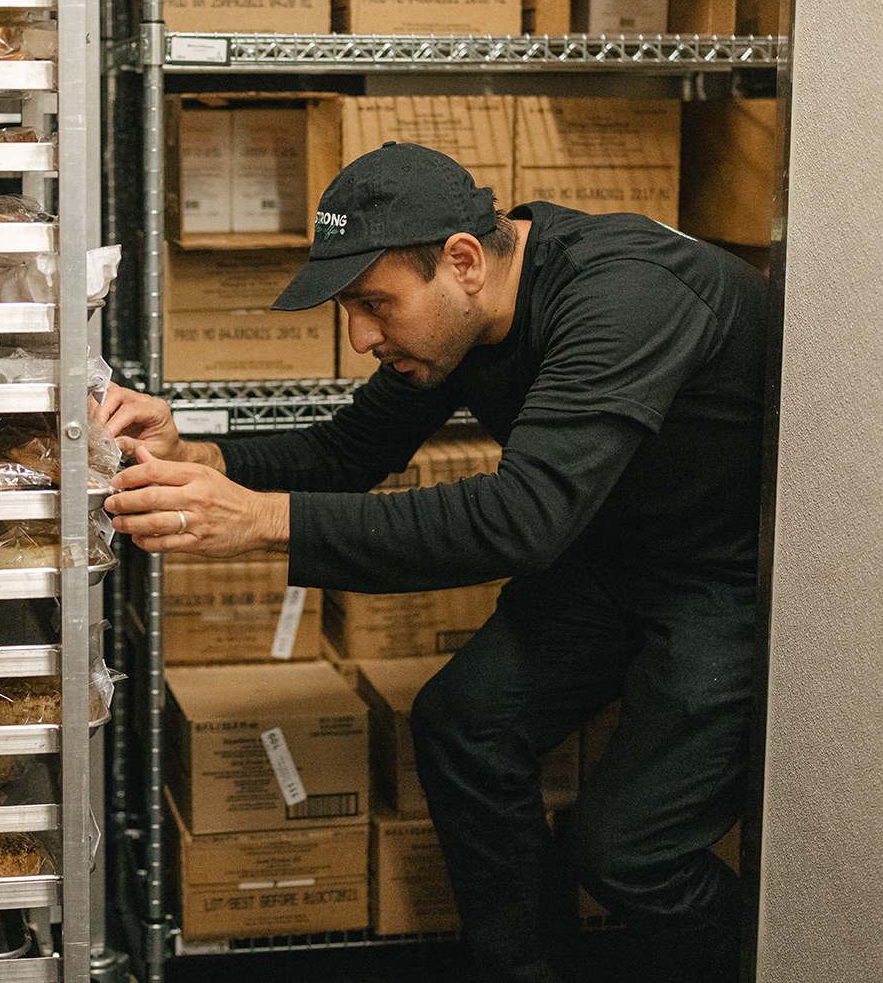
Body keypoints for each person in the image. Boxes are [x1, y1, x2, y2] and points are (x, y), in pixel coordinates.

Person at [99, 141, 766, 983]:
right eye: (349, 306)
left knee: (628, 851)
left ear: (462, 262)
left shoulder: (622, 297)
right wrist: (199, 453)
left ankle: (782, 960)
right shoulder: (459, 319)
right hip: (614, 555)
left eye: (375, 303)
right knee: (465, 723)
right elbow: (351, 450)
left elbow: (520, 523)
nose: (361, 335)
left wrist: (264, 522)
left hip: (732, 576)